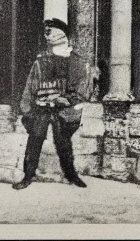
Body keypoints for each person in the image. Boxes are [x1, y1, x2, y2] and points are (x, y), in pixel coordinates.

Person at [12, 18, 96, 190]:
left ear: (64, 38)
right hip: (42, 108)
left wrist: (68, 101)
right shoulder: (40, 62)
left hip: (63, 110)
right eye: (47, 35)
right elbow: (30, 85)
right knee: (34, 140)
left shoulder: (78, 62)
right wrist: (27, 109)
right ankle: (28, 176)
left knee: (63, 142)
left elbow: (83, 87)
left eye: (51, 33)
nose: (48, 38)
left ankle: (71, 175)